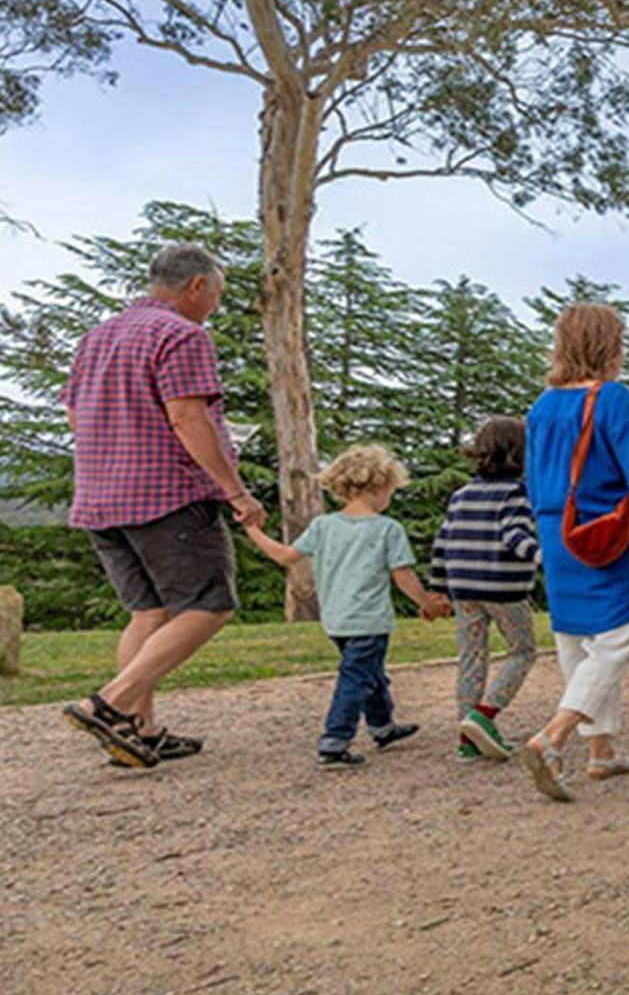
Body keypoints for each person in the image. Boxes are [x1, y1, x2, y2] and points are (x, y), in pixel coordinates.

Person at [59, 242, 267, 769]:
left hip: (100, 496)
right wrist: (234, 490)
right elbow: (187, 418)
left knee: (148, 612)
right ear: (196, 286)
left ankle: (139, 731)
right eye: (216, 294)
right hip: (165, 497)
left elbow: (76, 419)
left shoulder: (96, 337)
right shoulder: (182, 334)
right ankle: (108, 705)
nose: (215, 305)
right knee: (208, 604)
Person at [517, 302, 629, 802]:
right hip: (606, 533)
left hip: (557, 532)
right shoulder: (611, 398)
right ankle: (554, 736)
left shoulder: (541, 406)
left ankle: (602, 753)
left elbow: (532, 478)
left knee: (577, 640)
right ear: (610, 346)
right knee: (621, 633)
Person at [241, 445, 450, 767]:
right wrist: (429, 604)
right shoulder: (387, 529)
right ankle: (334, 741)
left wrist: (252, 529)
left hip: (336, 619)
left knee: (370, 674)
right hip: (369, 620)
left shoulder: (323, 526)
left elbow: (283, 556)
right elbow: (403, 576)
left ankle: (383, 727)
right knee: (356, 679)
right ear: (379, 487)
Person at [427, 416, 542, 764]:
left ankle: (467, 740)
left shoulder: (461, 496)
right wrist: (545, 557)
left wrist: (437, 589)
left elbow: (442, 542)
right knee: (523, 651)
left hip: (464, 589)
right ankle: (484, 715)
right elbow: (515, 536)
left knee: (471, 658)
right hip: (504, 588)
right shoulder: (516, 493)